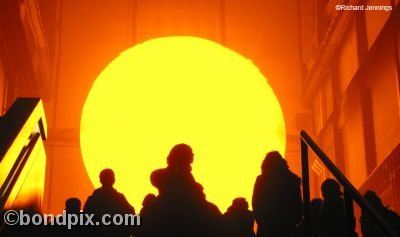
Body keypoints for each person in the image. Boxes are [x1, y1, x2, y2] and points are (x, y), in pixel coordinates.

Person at [252, 151, 303, 237]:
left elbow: (256, 202)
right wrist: (294, 220)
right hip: (286, 227)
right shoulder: (292, 179)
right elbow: (297, 203)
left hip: (267, 227)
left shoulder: (261, 180)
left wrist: (261, 220)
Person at [83, 168, 135, 236]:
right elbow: (131, 212)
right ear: (113, 180)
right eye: (111, 177)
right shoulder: (119, 198)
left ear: (100, 180)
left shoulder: (93, 199)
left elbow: (85, 217)